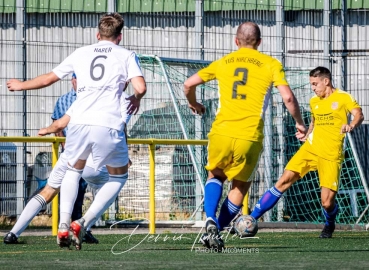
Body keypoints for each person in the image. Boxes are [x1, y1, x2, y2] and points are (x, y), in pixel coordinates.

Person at [6, 12, 146, 250]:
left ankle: (60, 223)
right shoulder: (125, 58)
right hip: (106, 134)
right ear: (119, 37)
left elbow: (50, 81)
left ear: (97, 34)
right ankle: (82, 223)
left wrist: (21, 86)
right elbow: (140, 87)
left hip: (78, 129)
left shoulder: (81, 55)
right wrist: (137, 97)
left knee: (65, 175)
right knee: (118, 177)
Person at [183, 21, 306, 251]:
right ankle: (217, 230)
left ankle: (209, 219)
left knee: (215, 175)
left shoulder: (224, 62)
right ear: (259, 42)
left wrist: (195, 104)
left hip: (221, 131)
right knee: (239, 187)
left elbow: (188, 84)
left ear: (236, 41)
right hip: (249, 136)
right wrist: (300, 124)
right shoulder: (270, 64)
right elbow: (288, 98)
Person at [3, 90, 135, 245]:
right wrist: (124, 156)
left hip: (73, 152)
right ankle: (83, 225)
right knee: (113, 184)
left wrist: (46, 130)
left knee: (49, 190)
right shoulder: (124, 97)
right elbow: (121, 128)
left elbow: (59, 123)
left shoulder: (86, 95)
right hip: (99, 158)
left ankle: (17, 232)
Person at [249, 66, 364, 238]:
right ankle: (250, 219)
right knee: (283, 181)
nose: (313, 88)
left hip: (331, 154)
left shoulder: (343, 97)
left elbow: (359, 114)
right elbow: (314, 122)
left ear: (326, 81)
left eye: (315, 84)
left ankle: (329, 223)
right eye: (311, 84)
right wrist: (306, 133)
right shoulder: (314, 101)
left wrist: (351, 125)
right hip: (310, 150)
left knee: (326, 203)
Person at [52, 73, 95, 242]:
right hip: (71, 151)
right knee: (60, 188)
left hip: (87, 151)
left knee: (81, 189)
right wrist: (65, 147)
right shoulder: (64, 100)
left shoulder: (90, 98)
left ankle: (78, 227)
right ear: (73, 80)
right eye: (78, 79)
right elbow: (58, 125)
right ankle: (66, 225)